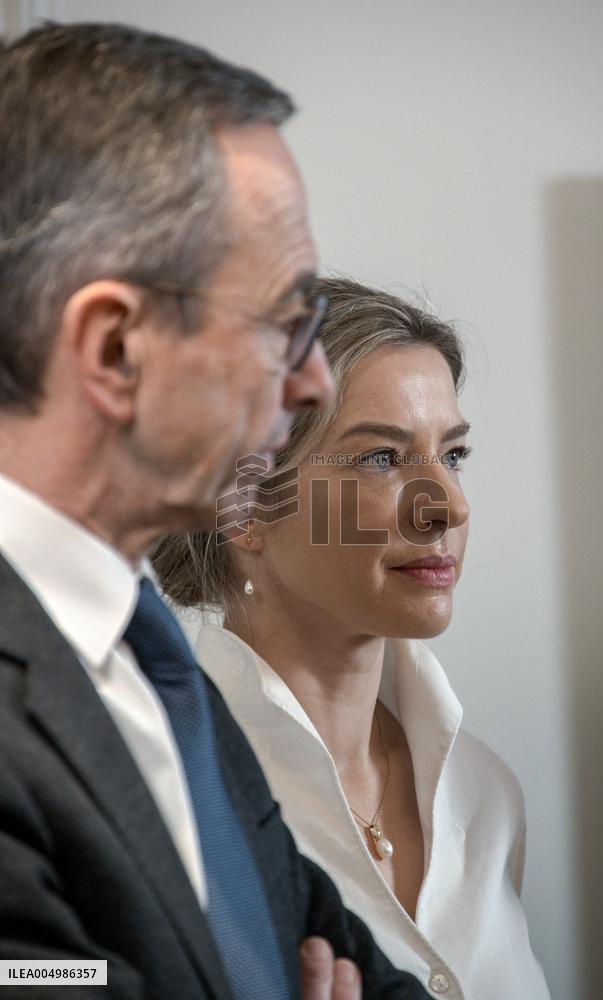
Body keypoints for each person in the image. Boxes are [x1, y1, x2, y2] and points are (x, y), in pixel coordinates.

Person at [0, 23, 428, 1000]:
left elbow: (341, 953)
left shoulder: (151, 658)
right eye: (285, 323)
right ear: (116, 350)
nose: (315, 382)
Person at [155, 277, 552, 999]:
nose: (449, 504)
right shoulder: (151, 780)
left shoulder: (485, 795)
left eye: (453, 455)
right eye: (382, 458)